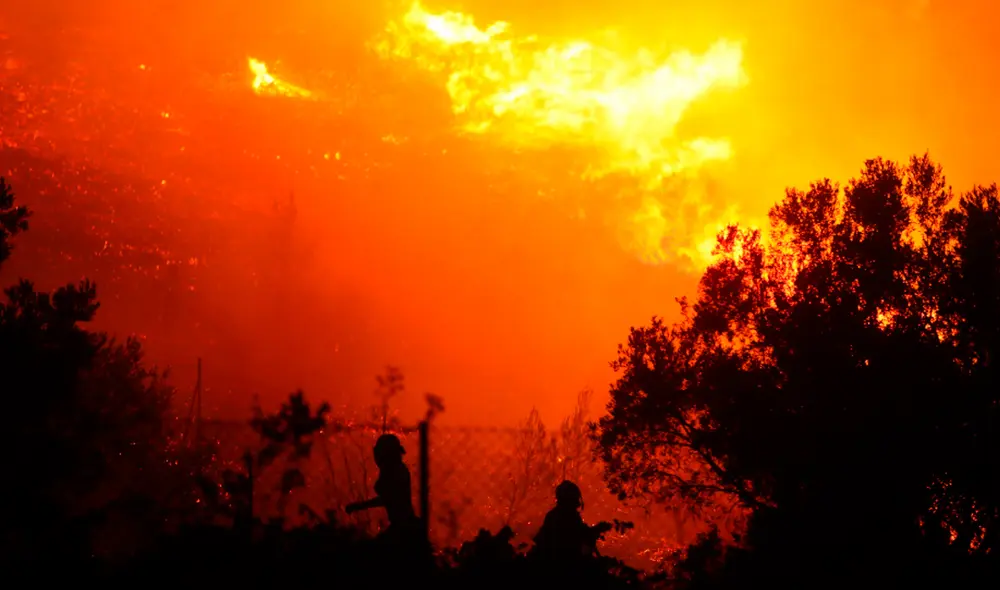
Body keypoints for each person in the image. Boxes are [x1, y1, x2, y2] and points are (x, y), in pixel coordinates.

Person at [346, 434, 420, 549]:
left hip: (403, 527)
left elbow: (388, 498)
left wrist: (360, 506)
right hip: (401, 526)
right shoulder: (393, 470)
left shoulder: (397, 472)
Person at [532, 480, 612, 563]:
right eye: (575, 498)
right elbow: (583, 534)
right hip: (565, 563)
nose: (577, 502)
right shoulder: (569, 517)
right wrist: (598, 529)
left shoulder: (553, 515)